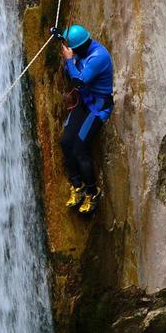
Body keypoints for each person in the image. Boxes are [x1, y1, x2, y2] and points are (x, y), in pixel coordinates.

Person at [58, 23, 113, 214]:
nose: (71, 50)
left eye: (74, 48)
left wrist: (69, 61)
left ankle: (92, 191)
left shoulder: (98, 57)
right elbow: (70, 71)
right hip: (85, 103)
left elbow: (77, 82)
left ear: (80, 46)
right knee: (65, 142)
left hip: (97, 108)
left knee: (80, 148)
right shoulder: (82, 50)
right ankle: (77, 185)